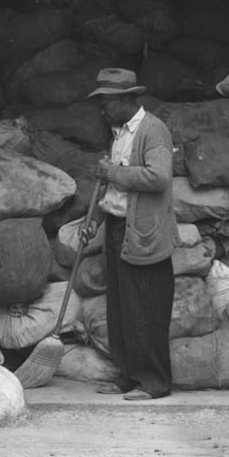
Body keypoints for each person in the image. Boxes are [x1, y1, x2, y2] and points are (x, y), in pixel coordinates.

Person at [86, 67, 179, 401]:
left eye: (107, 102)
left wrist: (114, 171)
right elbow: (112, 187)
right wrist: (95, 219)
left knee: (146, 310)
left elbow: (159, 177)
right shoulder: (119, 133)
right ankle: (128, 376)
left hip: (144, 232)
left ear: (126, 99)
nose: (102, 109)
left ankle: (154, 383)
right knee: (121, 309)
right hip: (117, 226)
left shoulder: (152, 130)